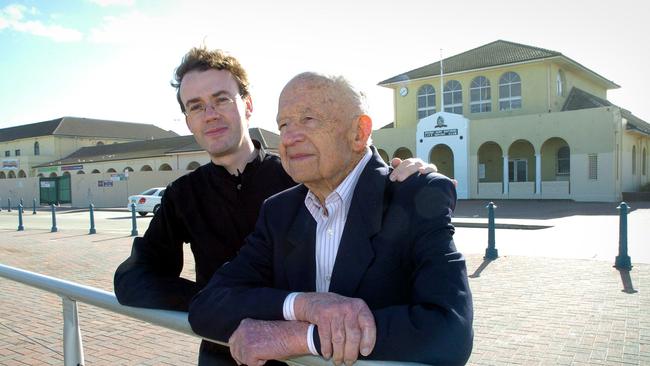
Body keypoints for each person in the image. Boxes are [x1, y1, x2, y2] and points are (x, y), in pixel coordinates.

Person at [113, 47, 437, 365]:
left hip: (305, 356)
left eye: (221, 99)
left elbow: (355, 165)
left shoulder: (305, 172)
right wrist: (216, 299)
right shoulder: (182, 195)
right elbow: (134, 279)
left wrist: (401, 175)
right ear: (187, 120)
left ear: (248, 104)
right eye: (196, 106)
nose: (210, 114)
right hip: (222, 349)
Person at [188, 72, 474, 366]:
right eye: (283, 124)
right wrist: (302, 305)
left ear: (359, 133)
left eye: (308, 119)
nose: (288, 138)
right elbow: (208, 306)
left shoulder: (415, 194)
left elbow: (449, 331)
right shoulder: (279, 212)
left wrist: (302, 338)